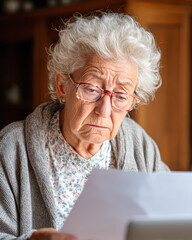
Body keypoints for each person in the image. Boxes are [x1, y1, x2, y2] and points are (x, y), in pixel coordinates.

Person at [0, 12, 169, 240]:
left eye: (120, 96)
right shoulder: (11, 148)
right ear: (62, 87)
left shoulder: (140, 145)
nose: (104, 110)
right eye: (91, 89)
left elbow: (170, 219)